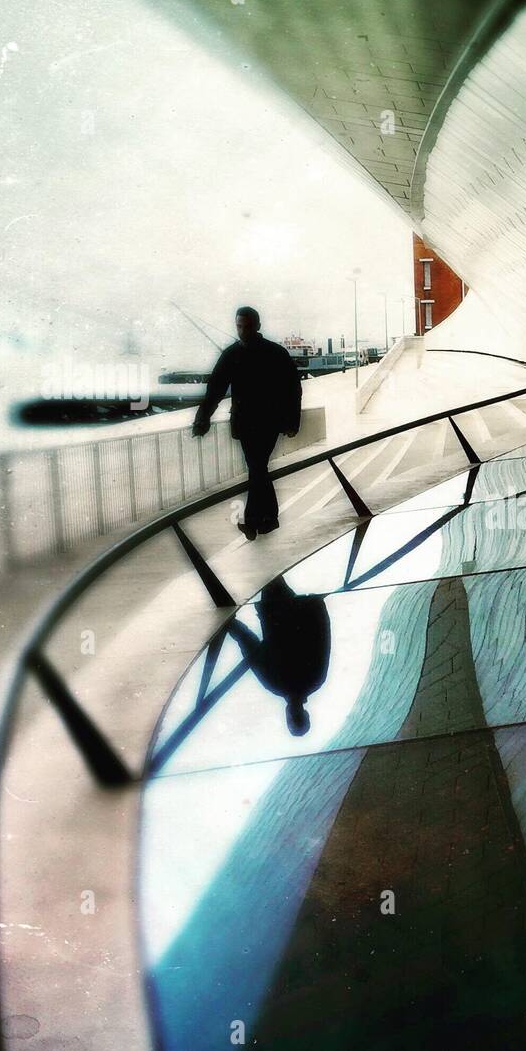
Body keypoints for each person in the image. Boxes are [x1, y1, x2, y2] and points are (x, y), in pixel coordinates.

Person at [192, 306, 301, 539]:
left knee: (257, 467)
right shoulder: (274, 352)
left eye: (246, 326)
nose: (242, 331)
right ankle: (266, 520)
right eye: (239, 327)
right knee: (258, 468)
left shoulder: (234, 354)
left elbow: (292, 389)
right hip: (265, 422)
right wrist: (292, 421)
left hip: (255, 423)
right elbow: (216, 390)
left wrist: (202, 420)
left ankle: (257, 521)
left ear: (257, 326)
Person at [226, 577, 331, 736]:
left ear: (307, 714)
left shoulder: (317, 680)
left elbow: (323, 636)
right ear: (288, 716)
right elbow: (248, 642)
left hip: (298, 607)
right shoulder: (274, 684)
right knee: (264, 570)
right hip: (273, 609)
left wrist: (316, 604)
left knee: (270, 569)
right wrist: (229, 624)